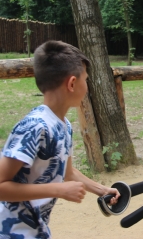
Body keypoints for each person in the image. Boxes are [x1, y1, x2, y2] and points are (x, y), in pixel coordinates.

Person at [0, 40, 120, 239]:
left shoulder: (63, 125)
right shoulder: (34, 126)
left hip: (36, 231)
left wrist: (102, 190)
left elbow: (67, 172)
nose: (87, 88)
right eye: (86, 80)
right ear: (72, 83)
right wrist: (59, 190)